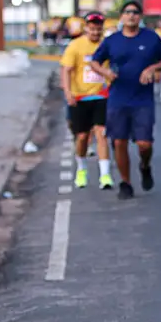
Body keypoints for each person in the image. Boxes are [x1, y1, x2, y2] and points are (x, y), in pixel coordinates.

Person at [90, 1, 161, 200]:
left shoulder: (151, 38)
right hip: (118, 98)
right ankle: (125, 182)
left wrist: (152, 69)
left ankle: (145, 165)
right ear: (122, 16)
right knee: (119, 142)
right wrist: (105, 72)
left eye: (135, 12)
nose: (131, 15)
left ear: (140, 16)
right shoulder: (112, 40)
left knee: (144, 144)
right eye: (127, 12)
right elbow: (94, 61)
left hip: (142, 99)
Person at [59, 12, 114, 190]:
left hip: (101, 95)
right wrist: (68, 92)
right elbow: (66, 70)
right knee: (82, 137)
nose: (95, 33)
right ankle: (81, 169)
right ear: (86, 29)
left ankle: (105, 174)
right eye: (92, 29)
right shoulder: (75, 46)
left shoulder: (106, 45)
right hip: (80, 97)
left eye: (98, 29)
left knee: (101, 133)